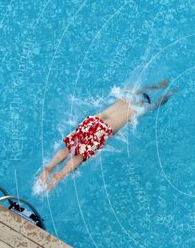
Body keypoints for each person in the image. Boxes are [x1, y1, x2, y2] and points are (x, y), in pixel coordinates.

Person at [38, 79, 177, 192]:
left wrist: (159, 85)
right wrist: (170, 93)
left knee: (70, 147)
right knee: (80, 155)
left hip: (95, 119)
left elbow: (145, 87)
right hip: (104, 130)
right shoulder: (139, 109)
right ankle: (59, 176)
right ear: (143, 102)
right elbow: (158, 103)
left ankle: (49, 168)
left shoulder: (128, 95)